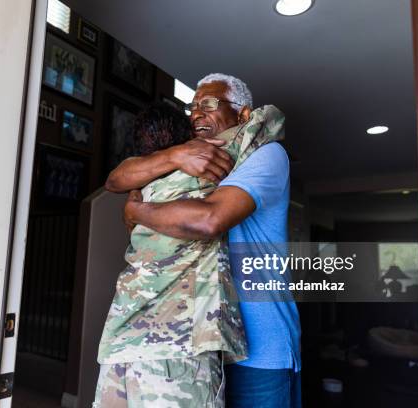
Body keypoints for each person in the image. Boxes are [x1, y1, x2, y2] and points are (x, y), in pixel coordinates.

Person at [108, 73, 302, 408]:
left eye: (208, 104)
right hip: (206, 342)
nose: (196, 113)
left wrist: (138, 212)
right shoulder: (188, 156)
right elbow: (116, 178)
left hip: (260, 348)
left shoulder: (267, 155)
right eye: (192, 107)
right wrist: (173, 157)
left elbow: (209, 219)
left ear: (243, 114)